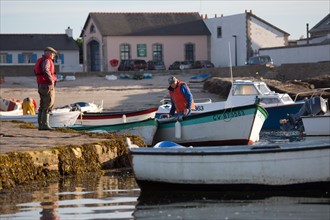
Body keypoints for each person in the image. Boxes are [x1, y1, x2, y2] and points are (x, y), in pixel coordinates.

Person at [34, 47, 58, 130]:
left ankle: (41, 125)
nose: (53, 55)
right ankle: (45, 125)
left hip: (41, 85)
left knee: (42, 104)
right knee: (48, 104)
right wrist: (51, 80)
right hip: (47, 85)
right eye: (52, 54)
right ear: (48, 53)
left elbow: (36, 71)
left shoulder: (40, 60)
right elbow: (45, 70)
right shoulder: (47, 61)